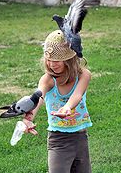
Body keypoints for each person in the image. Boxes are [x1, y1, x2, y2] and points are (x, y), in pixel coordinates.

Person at [23, 29, 93, 173]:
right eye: (48, 60)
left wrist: (67, 107)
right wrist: (29, 117)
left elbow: (77, 95)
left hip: (80, 137)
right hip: (58, 140)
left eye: (56, 60)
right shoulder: (48, 79)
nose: (51, 64)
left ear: (69, 59)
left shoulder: (83, 75)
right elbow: (38, 97)